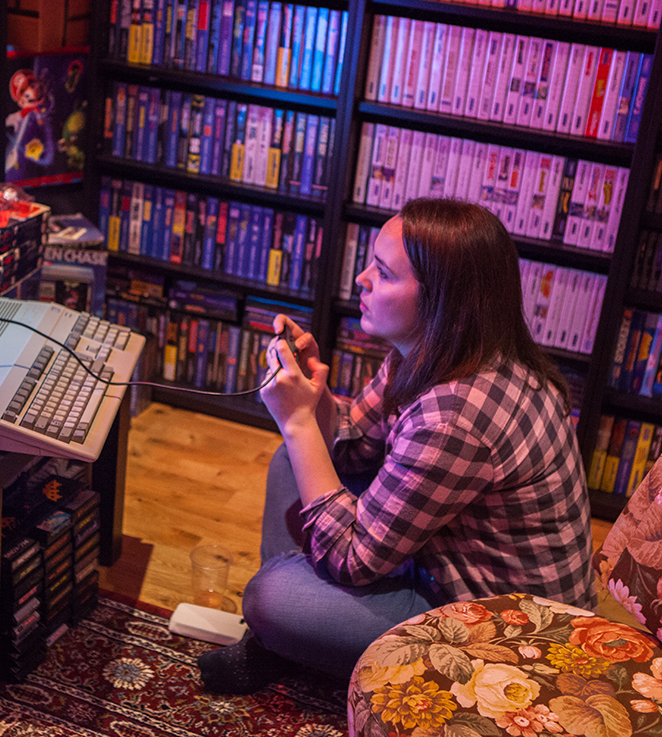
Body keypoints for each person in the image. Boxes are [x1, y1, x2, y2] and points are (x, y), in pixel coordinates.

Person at [198, 197, 596, 694]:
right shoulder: (434, 353)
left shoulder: (455, 414)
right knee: (291, 460)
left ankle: (286, 636)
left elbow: (351, 559)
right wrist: (315, 399)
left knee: (272, 597)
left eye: (383, 274)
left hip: (505, 635)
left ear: (442, 301)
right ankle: (282, 641)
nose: (361, 280)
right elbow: (351, 447)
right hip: (443, 563)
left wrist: (299, 421)